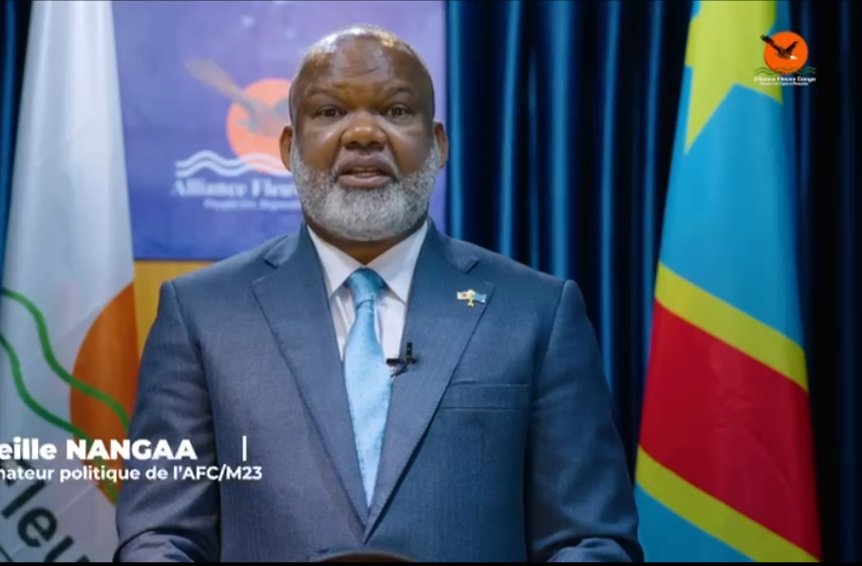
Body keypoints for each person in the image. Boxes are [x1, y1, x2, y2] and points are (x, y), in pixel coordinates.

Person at [114, 24, 642, 563]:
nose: (363, 134)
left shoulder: (537, 312)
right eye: (329, 112)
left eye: (395, 111)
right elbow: (162, 535)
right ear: (289, 148)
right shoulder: (201, 315)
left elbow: (590, 539)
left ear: (438, 144)